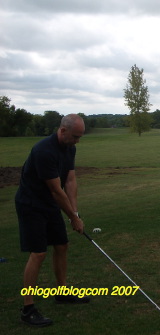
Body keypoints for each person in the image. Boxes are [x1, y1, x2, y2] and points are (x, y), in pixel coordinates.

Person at [15, 114, 89, 327]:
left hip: (49, 204)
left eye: (80, 137)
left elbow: (70, 179)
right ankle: (28, 309)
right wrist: (73, 219)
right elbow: (56, 191)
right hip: (31, 205)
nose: (77, 141)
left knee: (62, 245)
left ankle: (62, 292)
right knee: (38, 253)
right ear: (63, 130)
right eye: (75, 136)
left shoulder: (70, 147)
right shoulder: (44, 151)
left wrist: (75, 212)